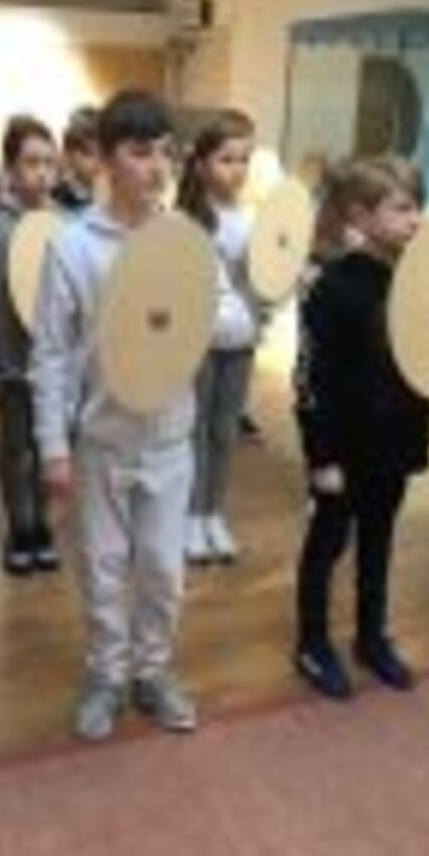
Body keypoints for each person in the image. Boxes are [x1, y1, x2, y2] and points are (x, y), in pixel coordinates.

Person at [31, 90, 254, 741]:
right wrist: (53, 447)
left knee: (161, 570)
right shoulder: (73, 247)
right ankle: (106, 675)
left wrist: (186, 315)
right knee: (102, 570)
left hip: (170, 441)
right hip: (101, 439)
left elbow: (237, 322)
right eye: (139, 152)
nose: (157, 167)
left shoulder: (187, 240)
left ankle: (151, 672)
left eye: (165, 152)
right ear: (104, 160)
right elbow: (50, 355)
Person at [291, 155, 429, 700]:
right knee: (328, 543)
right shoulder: (333, 287)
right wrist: (321, 457)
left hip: (394, 442)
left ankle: (372, 637)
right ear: (360, 215)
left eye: (419, 207)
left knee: (379, 541)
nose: (416, 219)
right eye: (402, 208)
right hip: (344, 447)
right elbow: (310, 379)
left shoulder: (419, 281)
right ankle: (312, 642)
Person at [0, 115, 62, 576]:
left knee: (48, 446)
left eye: (48, 163)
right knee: (15, 449)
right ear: (10, 168)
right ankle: (19, 528)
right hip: (11, 361)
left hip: (54, 364)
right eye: (31, 163)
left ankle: (43, 525)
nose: (41, 173)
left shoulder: (65, 225)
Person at [175, 109, 264, 566]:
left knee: (225, 431)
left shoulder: (253, 219)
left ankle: (213, 513)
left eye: (244, 159)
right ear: (201, 164)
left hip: (241, 341)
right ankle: (190, 515)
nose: (238, 169)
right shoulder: (184, 219)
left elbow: (268, 280)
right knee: (195, 430)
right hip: (198, 342)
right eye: (227, 159)